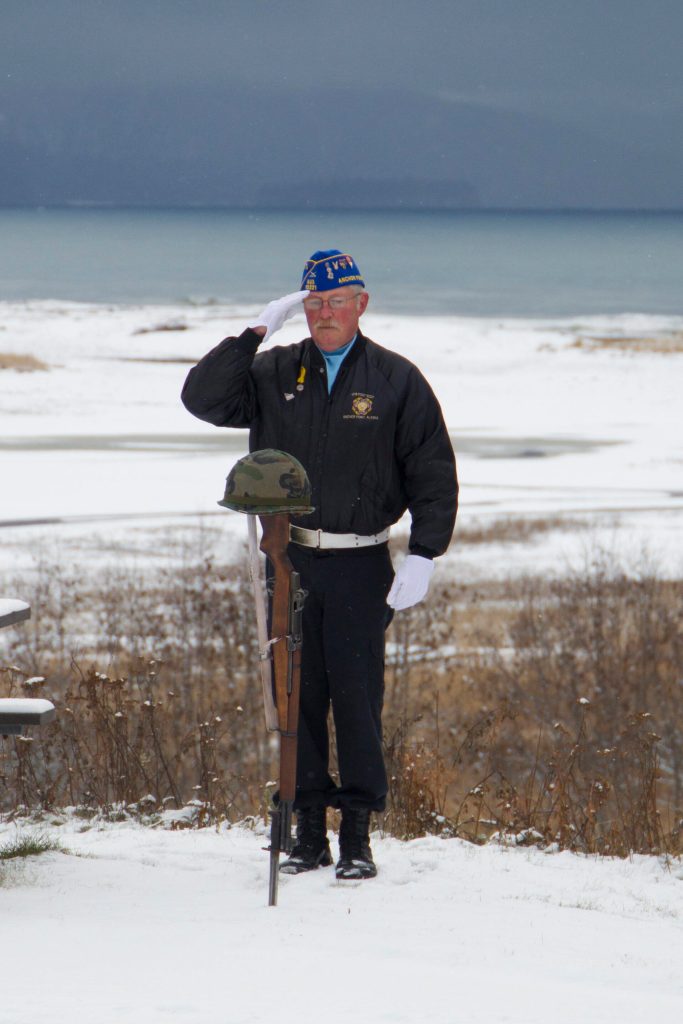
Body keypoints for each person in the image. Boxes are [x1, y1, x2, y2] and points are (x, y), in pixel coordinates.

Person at [181, 249, 457, 879]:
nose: (325, 313)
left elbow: (433, 472)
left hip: (361, 565)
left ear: (362, 303)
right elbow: (201, 399)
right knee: (295, 696)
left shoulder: (395, 380)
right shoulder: (275, 370)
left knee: (357, 699)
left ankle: (356, 836)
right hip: (291, 559)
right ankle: (308, 831)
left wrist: (423, 552)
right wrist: (254, 333)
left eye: (336, 301)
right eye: (313, 304)